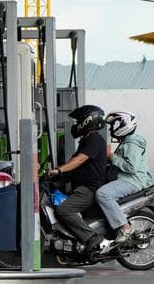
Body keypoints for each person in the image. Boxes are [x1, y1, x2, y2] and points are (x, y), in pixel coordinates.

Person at [46, 105, 110, 255]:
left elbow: (79, 160)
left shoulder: (95, 139)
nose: (76, 125)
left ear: (88, 121)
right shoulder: (85, 141)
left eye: (79, 121)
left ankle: (92, 238)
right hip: (80, 187)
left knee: (64, 210)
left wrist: (59, 169)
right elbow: (75, 164)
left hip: (88, 189)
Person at [96, 111, 153, 242]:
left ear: (123, 125)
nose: (111, 129)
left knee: (103, 194)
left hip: (132, 181)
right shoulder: (127, 142)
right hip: (126, 179)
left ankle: (125, 227)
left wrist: (113, 157)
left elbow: (132, 168)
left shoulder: (132, 143)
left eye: (113, 125)